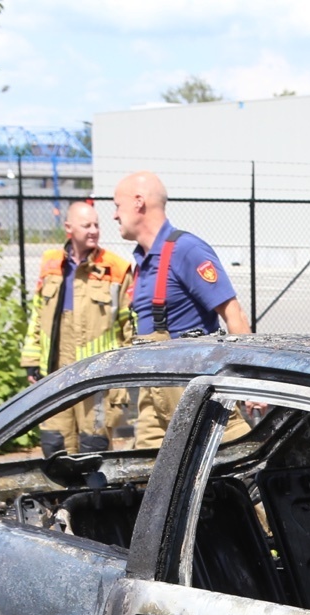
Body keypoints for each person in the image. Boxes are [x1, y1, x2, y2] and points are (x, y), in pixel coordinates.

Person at [111, 171, 251, 449]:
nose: (115, 215)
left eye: (117, 205)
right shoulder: (142, 262)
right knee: (146, 476)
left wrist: (250, 384)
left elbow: (234, 314)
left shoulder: (186, 250)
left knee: (237, 459)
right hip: (153, 392)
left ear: (139, 202)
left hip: (193, 390)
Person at [21, 200, 131, 456]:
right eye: (86, 225)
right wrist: (31, 360)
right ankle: (59, 498)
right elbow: (37, 315)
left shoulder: (115, 268)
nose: (93, 230)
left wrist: (124, 376)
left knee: (93, 448)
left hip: (96, 380)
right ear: (69, 228)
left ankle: (93, 498)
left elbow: (129, 327)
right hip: (54, 376)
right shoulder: (51, 264)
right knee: (54, 444)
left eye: (96, 224)